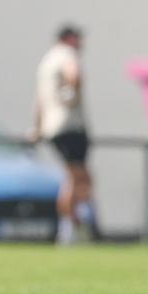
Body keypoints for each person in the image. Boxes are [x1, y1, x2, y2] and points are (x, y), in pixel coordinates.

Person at [31, 24, 96, 245]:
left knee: (72, 178)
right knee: (81, 180)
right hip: (70, 125)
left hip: (52, 127)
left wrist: (37, 128)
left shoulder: (46, 62)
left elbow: (39, 100)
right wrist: (71, 94)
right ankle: (74, 227)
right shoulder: (67, 55)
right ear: (69, 38)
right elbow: (74, 74)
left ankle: (69, 228)